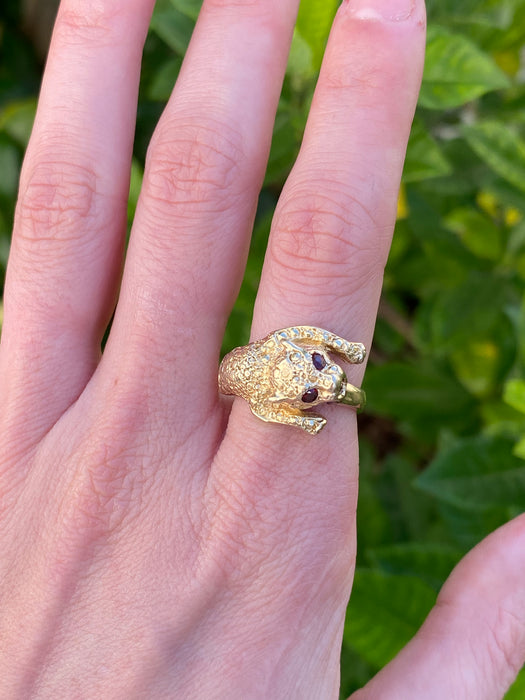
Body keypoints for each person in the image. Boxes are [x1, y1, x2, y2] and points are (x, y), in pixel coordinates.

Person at [0, 0, 524, 697]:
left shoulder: (300, 364)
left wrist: (322, 366)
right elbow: (285, 383)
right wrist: (303, 409)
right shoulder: (285, 391)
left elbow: (297, 346)